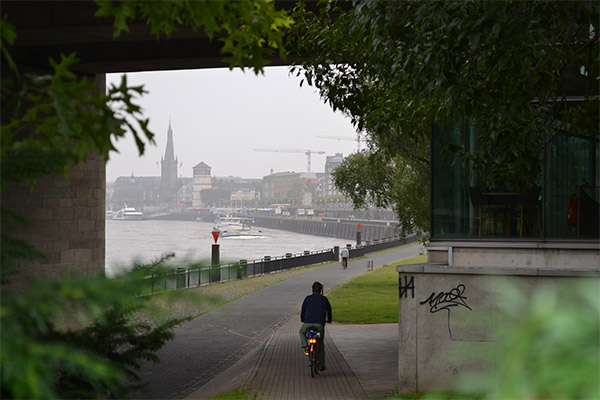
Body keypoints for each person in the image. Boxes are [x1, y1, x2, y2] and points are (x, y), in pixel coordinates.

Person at [299, 281, 332, 371]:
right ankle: (321, 365)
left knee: (302, 332)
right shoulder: (324, 299)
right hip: (319, 324)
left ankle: (305, 345)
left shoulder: (307, 298)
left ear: (312, 289)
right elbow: (329, 310)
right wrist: (329, 320)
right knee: (320, 344)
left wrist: (303, 320)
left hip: (308, 323)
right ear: (320, 290)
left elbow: (303, 310)